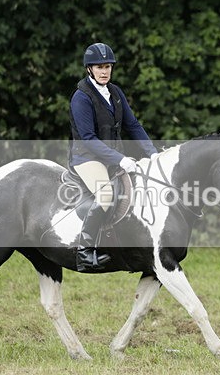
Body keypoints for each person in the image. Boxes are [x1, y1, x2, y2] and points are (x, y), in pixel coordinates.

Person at [68, 42, 158, 272]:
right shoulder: (81, 98)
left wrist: (153, 154)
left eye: (107, 66)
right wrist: (119, 159)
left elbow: (133, 125)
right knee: (106, 195)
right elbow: (88, 138)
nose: (105, 71)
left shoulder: (115, 93)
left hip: (111, 157)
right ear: (89, 69)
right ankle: (85, 252)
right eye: (99, 67)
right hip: (86, 158)